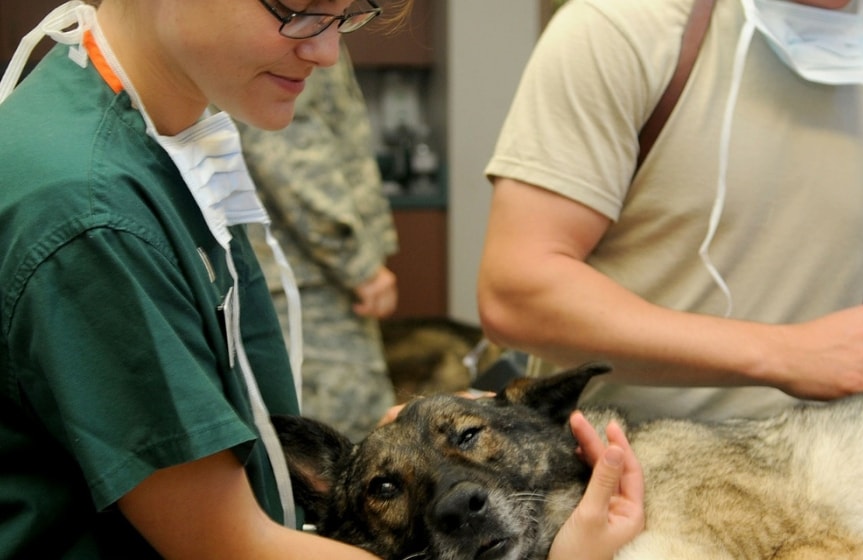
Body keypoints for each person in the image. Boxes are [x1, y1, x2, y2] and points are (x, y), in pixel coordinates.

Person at [0, 0, 643, 558]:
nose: (328, 52)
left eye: (345, 16)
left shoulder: (168, 137)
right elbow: (229, 546)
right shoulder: (90, 214)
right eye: (295, 7)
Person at [479, 0, 863, 423]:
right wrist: (783, 353)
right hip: (617, 484)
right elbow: (517, 291)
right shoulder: (620, 31)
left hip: (828, 486)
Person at [239, 47, 399, 442]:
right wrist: (357, 263)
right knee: (345, 450)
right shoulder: (293, 21)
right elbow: (288, 148)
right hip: (306, 279)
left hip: (298, 272)